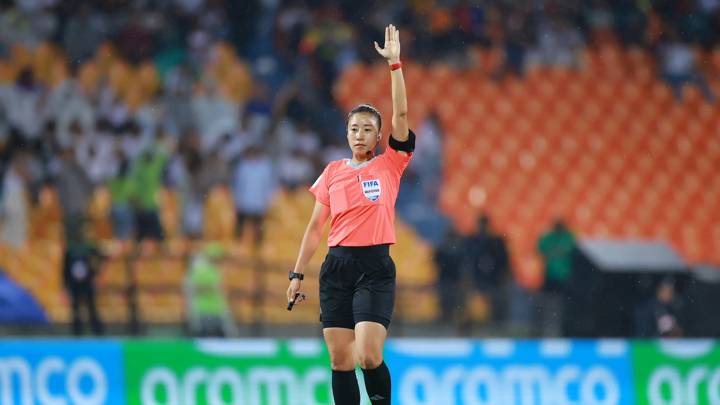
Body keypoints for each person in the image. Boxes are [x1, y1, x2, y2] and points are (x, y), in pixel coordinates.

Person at [286, 24, 412, 405]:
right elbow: (313, 229)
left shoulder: (391, 165)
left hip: (374, 268)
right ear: (346, 134)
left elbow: (402, 112)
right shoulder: (332, 172)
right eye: (353, 128)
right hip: (336, 268)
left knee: (368, 356)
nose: (359, 134)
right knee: (341, 361)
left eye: (367, 129)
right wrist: (296, 274)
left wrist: (395, 66)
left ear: (379, 138)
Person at [464, 214, 510, 321]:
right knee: (473, 304)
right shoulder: (472, 240)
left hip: (493, 278)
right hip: (477, 277)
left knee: (495, 304)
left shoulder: (496, 241)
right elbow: (468, 260)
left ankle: (495, 322)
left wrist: (502, 275)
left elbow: (503, 260)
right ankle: (473, 322)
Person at [62, 223, 105, 336]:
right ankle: (77, 333)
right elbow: (65, 269)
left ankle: (97, 332)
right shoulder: (70, 249)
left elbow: (101, 258)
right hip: (74, 283)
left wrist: (97, 274)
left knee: (91, 307)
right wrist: (65, 286)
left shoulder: (89, 247)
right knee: (76, 308)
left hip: (87, 282)